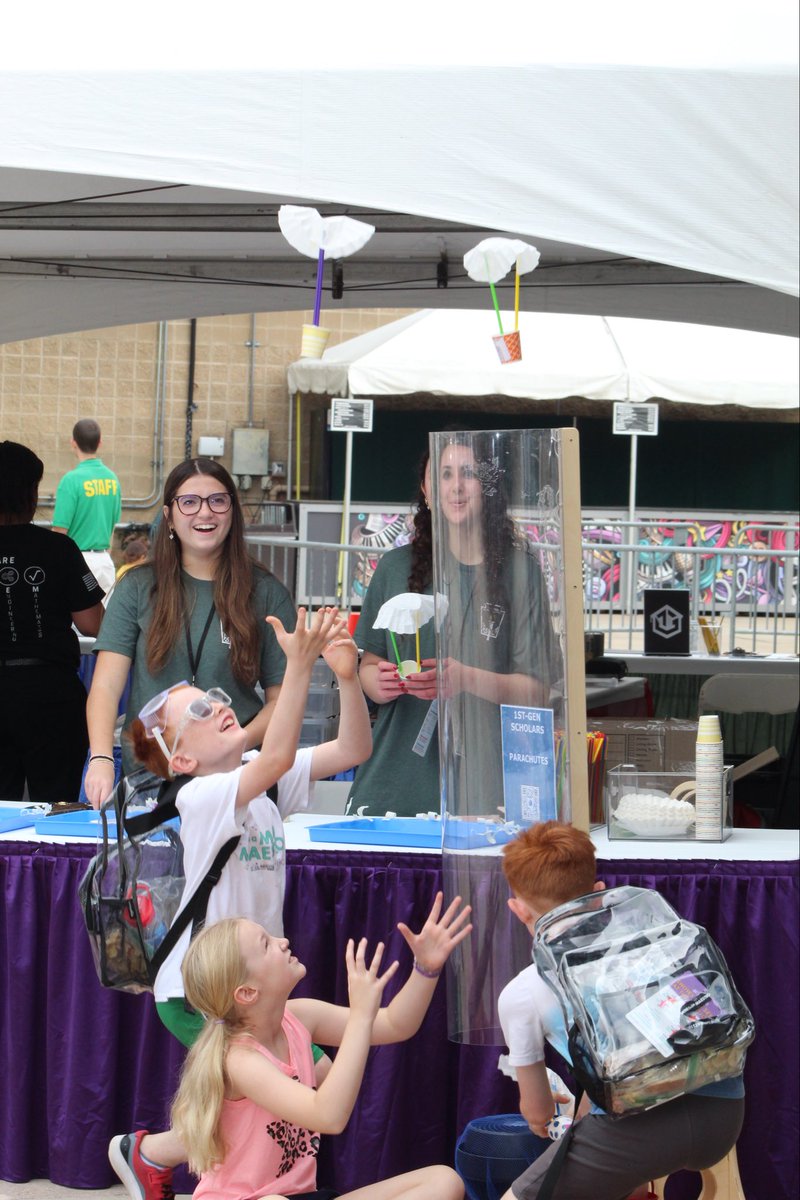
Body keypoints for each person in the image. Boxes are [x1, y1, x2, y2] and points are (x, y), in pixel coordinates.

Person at [108, 606, 374, 1200]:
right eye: (198, 713)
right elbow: (277, 756)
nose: (218, 706)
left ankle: (150, 1153)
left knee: (293, 1086)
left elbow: (353, 748)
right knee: (294, 1088)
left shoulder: (259, 775)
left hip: (249, 979)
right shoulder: (199, 797)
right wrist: (298, 665)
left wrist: (347, 677)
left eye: (214, 697)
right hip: (199, 989)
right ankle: (180, 1163)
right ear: (181, 760)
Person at [497, 821, 745, 1200]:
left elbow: (536, 1112)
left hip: (638, 1132)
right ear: (599, 894)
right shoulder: (658, 944)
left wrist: (545, 1121)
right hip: (724, 1114)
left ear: (518, 910)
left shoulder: (522, 993)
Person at [170, 895, 470, 1199]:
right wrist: (360, 1017)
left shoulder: (300, 1017)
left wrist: (425, 969)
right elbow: (329, 1116)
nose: (283, 942)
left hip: (301, 1195)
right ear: (247, 992)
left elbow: (396, 1023)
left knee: (444, 1181)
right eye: (266, 945)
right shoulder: (240, 1059)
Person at [84, 457, 296, 805]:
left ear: (232, 510)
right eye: (189, 502)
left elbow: (284, 698)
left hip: (238, 782)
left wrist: (231, 744)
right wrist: (102, 759)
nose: (205, 512)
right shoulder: (137, 587)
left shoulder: (266, 592)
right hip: (149, 781)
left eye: (218, 500)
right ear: (169, 515)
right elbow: (106, 686)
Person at [0, 440, 104, 802]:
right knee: (54, 804)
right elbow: (93, 624)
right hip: (50, 694)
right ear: (31, 493)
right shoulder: (58, 549)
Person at [345, 451, 439, 817]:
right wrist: (377, 683)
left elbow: (536, 687)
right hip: (395, 777)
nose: (455, 486)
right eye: (442, 474)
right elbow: (369, 665)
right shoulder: (394, 567)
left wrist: (471, 679)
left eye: (468, 473)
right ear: (424, 489)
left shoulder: (514, 569)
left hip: (483, 777)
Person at [52, 417, 121, 593]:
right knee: (104, 611)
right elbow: (112, 527)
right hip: (104, 562)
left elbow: (60, 531)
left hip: (77, 562)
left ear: (73, 443)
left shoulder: (71, 480)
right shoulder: (112, 479)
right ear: (100, 442)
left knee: (71, 611)